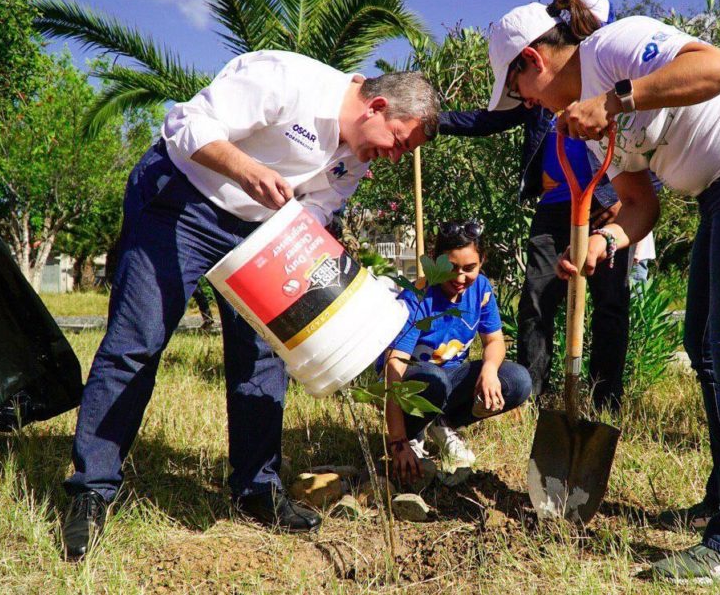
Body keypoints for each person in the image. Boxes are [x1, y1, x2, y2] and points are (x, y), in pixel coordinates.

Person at [489, 0, 720, 584]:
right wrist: (605, 242)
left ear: (531, 63)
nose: (528, 105)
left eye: (519, 93)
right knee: (703, 344)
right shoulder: (591, 131)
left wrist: (617, 99)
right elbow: (641, 204)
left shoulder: (611, 49)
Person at [60, 50, 439, 561]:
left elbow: (318, 210)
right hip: (182, 201)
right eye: (398, 142)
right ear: (375, 106)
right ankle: (92, 489)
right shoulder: (288, 81)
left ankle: (257, 489)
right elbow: (184, 123)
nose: (394, 157)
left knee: (264, 355)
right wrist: (246, 169)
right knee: (138, 342)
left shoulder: (353, 160)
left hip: (260, 233)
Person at [439, 0, 648, 412]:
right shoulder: (541, 88)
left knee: (609, 303)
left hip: (607, 204)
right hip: (555, 204)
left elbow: (638, 146)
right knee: (536, 297)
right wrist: (435, 121)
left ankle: (604, 399)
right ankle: (531, 392)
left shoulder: (604, 74)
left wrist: (613, 199)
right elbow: (489, 118)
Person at [382, 220, 532, 481]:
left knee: (517, 381)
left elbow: (494, 341)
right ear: (435, 261)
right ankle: (413, 434)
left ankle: (443, 425)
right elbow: (395, 366)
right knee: (433, 379)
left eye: (469, 268)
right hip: (416, 383)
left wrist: (489, 369)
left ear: (482, 261)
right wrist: (397, 441)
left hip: (452, 379)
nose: (461, 278)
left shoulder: (481, 289)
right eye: (451, 268)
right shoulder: (416, 298)